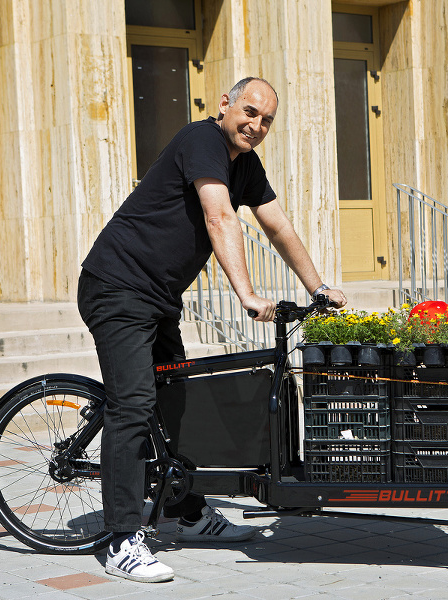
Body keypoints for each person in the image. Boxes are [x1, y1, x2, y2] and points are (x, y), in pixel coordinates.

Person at [77, 76, 346, 583]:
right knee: (133, 403)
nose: (256, 125)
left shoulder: (244, 162)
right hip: (116, 286)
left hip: (157, 297)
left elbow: (278, 226)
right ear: (224, 105)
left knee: (176, 397)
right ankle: (119, 539)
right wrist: (246, 294)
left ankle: (186, 511)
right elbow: (220, 217)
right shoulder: (201, 141)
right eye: (249, 112)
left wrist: (318, 288)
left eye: (266, 119)